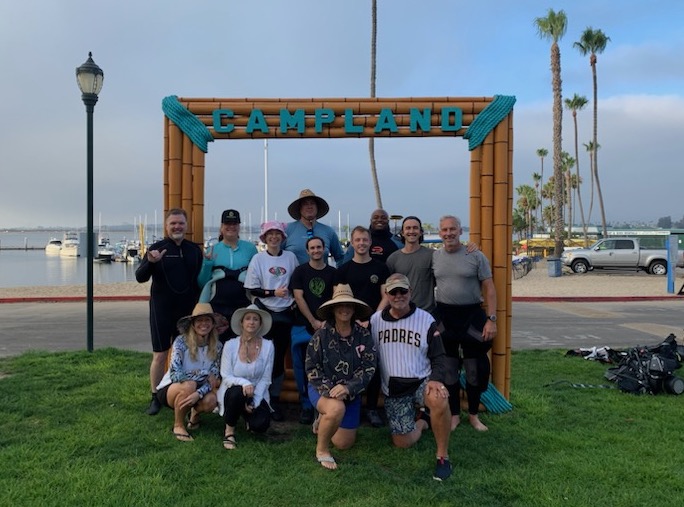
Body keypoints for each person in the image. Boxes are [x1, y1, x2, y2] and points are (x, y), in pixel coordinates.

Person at [369, 273, 453, 481]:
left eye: (403, 291)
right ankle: (424, 420)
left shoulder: (425, 319)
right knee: (402, 442)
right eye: (393, 292)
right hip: (394, 389)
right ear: (386, 294)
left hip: (421, 381)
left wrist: (435, 379)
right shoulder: (375, 321)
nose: (398, 296)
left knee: (438, 397)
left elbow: (440, 356)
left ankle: (442, 456)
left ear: (410, 292)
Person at [136, 208, 204, 416]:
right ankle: (155, 396)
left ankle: (182, 391)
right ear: (167, 226)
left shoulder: (194, 250)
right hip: (161, 309)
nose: (177, 227)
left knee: (187, 353)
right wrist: (150, 262)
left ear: (186, 225)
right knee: (160, 355)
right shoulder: (157, 249)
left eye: (181, 223)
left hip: (187, 311)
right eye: (173, 223)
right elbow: (140, 277)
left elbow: (199, 282)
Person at [433, 215, 498, 432]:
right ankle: (453, 415)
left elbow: (489, 288)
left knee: (473, 369)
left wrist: (491, 319)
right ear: (439, 232)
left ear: (461, 231)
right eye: (444, 230)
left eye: (453, 229)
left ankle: (473, 415)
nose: (448, 233)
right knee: (449, 368)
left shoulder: (475, 255)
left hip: (471, 315)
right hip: (445, 315)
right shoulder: (434, 257)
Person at [305, 284, 377, 470]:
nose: (345, 309)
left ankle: (322, 419)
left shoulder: (364, 335)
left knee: (344, 443)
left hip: (351, 393)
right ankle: (322, 450)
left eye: (348, 305)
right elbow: (311, 367)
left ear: (354, 309)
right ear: (333, 309)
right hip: (322, 389)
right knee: (335, 408)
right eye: (340, 305)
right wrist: (331, 390)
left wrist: (348, 388)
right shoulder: (320, 335)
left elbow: (369, 367)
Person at [334, 225, 390, 427]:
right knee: (348, 366)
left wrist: (371, 318)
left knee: (372, 366)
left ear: (370, 242)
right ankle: (350, 406)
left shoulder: (380, 268)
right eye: (357, 240)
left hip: (373, 323)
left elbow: (386, 296)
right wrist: (350, 319)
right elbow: (338, 299)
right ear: (352, 242)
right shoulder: (343, 270)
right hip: (348, 324)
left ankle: (373, 408)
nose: (361, 243)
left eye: (365, 240)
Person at [244, 220, 298, 421]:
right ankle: (256, 396)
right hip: (265, 313)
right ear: (264, 238)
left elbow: (296, 282)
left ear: (282, 237)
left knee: (278, 358)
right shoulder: (258, 259)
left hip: (285, 314)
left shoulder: (290, 257)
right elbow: (252, 289)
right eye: (270, 234)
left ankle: (273, 398)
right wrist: (272, 292)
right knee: (261, 356)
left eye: (277, 234)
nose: (274, 237)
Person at [155, 302, 224, 442]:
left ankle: (194, 415)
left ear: (212, 324)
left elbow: (214, 379)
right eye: (199, 320)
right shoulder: (181, 341)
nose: (203, 324)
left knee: (211, 400)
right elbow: (176, 373)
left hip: (198, 390)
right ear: (193, 324)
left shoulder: (217, 346)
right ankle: (178, 425)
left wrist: (198, 393)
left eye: (207, 320)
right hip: (172, 388)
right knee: (189, 384)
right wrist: (203, 374)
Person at [289, 236, 336, 424]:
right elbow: (299, 298)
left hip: (328, 326)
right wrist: (313, 320)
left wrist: (325, 321)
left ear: (324, 249)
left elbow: (336, 298)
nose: (316, 250)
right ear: (307, 251)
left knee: (326, 366)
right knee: (301, 366)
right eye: (312, 248)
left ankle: (324, 403)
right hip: (302, 325)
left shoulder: (334, 273)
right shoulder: (299, 272)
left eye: (319, 247)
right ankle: (306, 405)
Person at [216, 304, 275, 450]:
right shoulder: (230, 345)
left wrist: (254, 401)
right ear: (241, 323)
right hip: (234, 389)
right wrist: (244, 383)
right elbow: (226, 375)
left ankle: (246, 413)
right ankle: (229, 431)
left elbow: (266, 378)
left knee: (261, 426)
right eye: (248, 318)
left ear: (260, 324)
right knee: (237, 393)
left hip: (257, 391)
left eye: (256, 319)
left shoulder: (268, 346)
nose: (251, 322)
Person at [197, 209, 257, 341]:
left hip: (243, 305)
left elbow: (256, 278)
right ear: (221, 227)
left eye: (235, 223)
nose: (231, 227)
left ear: (239, 226)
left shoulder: (250, 249)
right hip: (218, 306)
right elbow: (202, 282)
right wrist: (207, 264)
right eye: (227, 223)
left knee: (242, 343)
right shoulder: (212, 249)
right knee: (217, 345)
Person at [386, 216, 437, 315]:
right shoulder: (393, 259)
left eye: (415, 228)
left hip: (426, 313)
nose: (412, 231)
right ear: (402, 232)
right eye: (408, 228)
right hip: (401, 313)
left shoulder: (433, 255)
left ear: (421, 232)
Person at [283, 188, 344, 265]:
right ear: (299, 208)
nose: (309, 206)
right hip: (295, 276)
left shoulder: (329, 231)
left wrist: (337, 275)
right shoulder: (287, 230)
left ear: (317, 207)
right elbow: (277, 257)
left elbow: (341, 258)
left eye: (312, 203)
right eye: (305, 204)